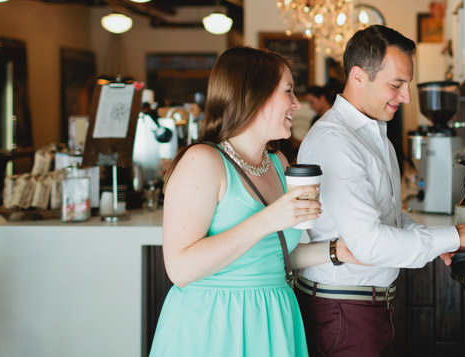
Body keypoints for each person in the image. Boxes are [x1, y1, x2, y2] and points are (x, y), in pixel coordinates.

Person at [296, 25, 465, 357]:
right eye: (396, 85)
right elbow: (369, 244)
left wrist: (442, 243)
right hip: (342, 311)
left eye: (407, 85)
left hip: (368, 307)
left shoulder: (374, 133)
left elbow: (390, 217)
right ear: (358, 76)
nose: (406, 97)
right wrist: (456, 234)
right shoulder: (334, 141)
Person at [150, 46, 359, 357]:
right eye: (288, 91)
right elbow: (180, 269)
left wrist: (337, 251)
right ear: (255, 95)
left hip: (274, 317)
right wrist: (267, 220)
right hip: (214, 323)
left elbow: (271, 255)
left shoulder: (278, 162)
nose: (297, 103)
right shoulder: (203, 161)